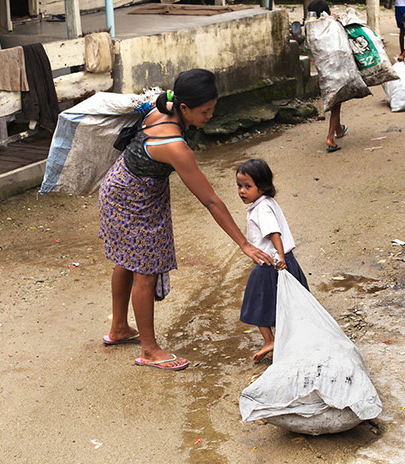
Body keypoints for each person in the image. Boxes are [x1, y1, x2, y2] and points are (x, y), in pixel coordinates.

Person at [99, 69, 274, 371]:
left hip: (118, 187)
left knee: (127, 260)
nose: (209, 116)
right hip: (133, 200)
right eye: (205, 111)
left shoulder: (162, 109)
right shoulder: (175, 146)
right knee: (145, 270)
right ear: (184, 109)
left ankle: (118, 328)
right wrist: (244, 244)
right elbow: (210, 200)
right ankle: (150, 350)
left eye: (212, 109)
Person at [236, 159, 309, 363]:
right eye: (239, 186)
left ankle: (270, 340)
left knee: (259, 305)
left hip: (270, 265)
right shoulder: (266, 203)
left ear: (263, 186)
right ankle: (289, 340)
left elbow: (273, 233)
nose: (242, 191)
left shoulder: (262, 209)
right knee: (287, 304)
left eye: (247, 186)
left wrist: (280, 258)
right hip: (282, 261)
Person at [306, 0, 348, 153]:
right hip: (337, 71)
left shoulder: (311, 29)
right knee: (336, 107)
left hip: (324, 73)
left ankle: (339, 129)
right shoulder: (333, 25)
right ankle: (330, 138)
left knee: (335, 103)